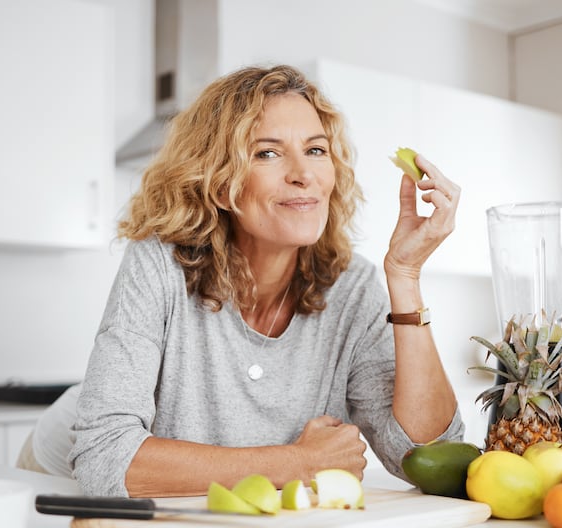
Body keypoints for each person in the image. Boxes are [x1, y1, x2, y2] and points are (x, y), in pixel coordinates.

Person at [68, 64, 464, 498]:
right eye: (267, 154)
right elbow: (103, 457)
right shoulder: (159, 264)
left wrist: (405, 276)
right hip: (54, 470)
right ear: (220, 183)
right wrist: (299, 463)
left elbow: (431, 458)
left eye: (316, 150)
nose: (303, 174)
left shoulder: (352, 288)